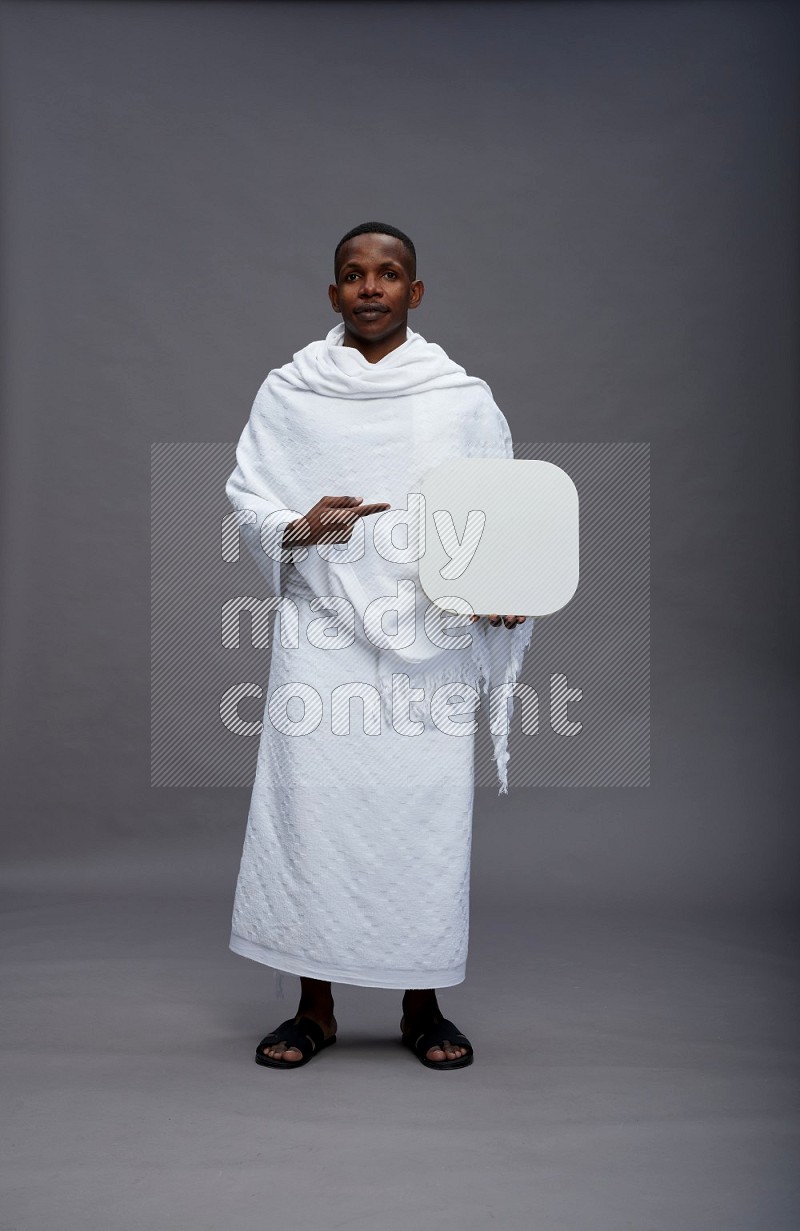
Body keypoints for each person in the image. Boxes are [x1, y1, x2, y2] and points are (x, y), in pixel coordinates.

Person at [225, 222, 532, 1070]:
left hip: (429, 638)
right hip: (321, 633)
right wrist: (299, 525)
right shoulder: (290, 392)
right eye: (354, 275)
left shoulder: (459, 398)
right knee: (312, 815)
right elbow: (250, 496)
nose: (370, 287)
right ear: (333, 294)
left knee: (420, 819)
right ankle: (312, 1007)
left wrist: (504, 584)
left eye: (388, 274)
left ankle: (421, 1003)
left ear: (415, 292)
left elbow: (498, 502)